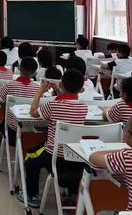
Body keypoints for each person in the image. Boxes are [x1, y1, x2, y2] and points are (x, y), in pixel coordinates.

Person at [18, 69, 88, 208]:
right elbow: (69, 101)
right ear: (81, 89)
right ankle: (72, 195)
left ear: (61, 84)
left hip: (53, 157)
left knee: (30, 158)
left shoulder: (53, 105)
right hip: (74, 157)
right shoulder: (83, 108)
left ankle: (32, 195)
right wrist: (61, 91)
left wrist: (40, 91)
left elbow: (33, 112)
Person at [89, 115, 132, 212]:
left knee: (101, 213)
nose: (124, 131)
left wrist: (119, 151)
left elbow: (93, 157)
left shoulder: (127, 157)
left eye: (125, 128)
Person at [0, 57, 40, 144]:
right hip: (31, 130)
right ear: (35, 73)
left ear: (19, 68)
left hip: (11, 129)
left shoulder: (10, 85)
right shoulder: (38, 89)